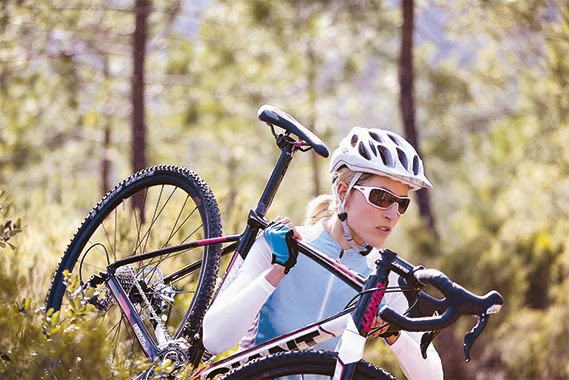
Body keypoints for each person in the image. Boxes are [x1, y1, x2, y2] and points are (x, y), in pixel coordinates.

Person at [203, 127, 444, 379]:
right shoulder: (280, 245)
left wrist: (393, 332)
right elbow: (215, 339)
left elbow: (432, 377)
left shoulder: (383, 278)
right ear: (343, 192)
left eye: (401, 203)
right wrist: (277, 270)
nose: (392, 213)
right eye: (381, 197)